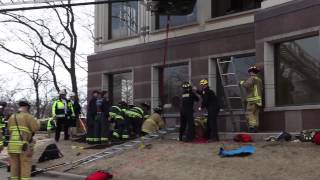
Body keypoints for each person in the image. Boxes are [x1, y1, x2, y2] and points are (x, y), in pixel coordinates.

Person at [7, 99, 40, 180]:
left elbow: (9, 130)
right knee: (25, 166)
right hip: (23, 146)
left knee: (14, 167)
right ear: (27, 107)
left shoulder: (12, 117)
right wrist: (37, 121)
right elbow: (35, 128)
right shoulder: (28, 116)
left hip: (12, 146)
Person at [240, 65, 263, 133]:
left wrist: (242, 82)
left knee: (249, 113)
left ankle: (252, 127)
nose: (249, 73)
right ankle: (256, 126)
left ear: (251, 72)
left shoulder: (252, 78)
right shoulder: (259, 79)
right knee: (255, 114)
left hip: (252, 99)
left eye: (250, 72)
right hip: (258, 100)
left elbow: (247, 85)